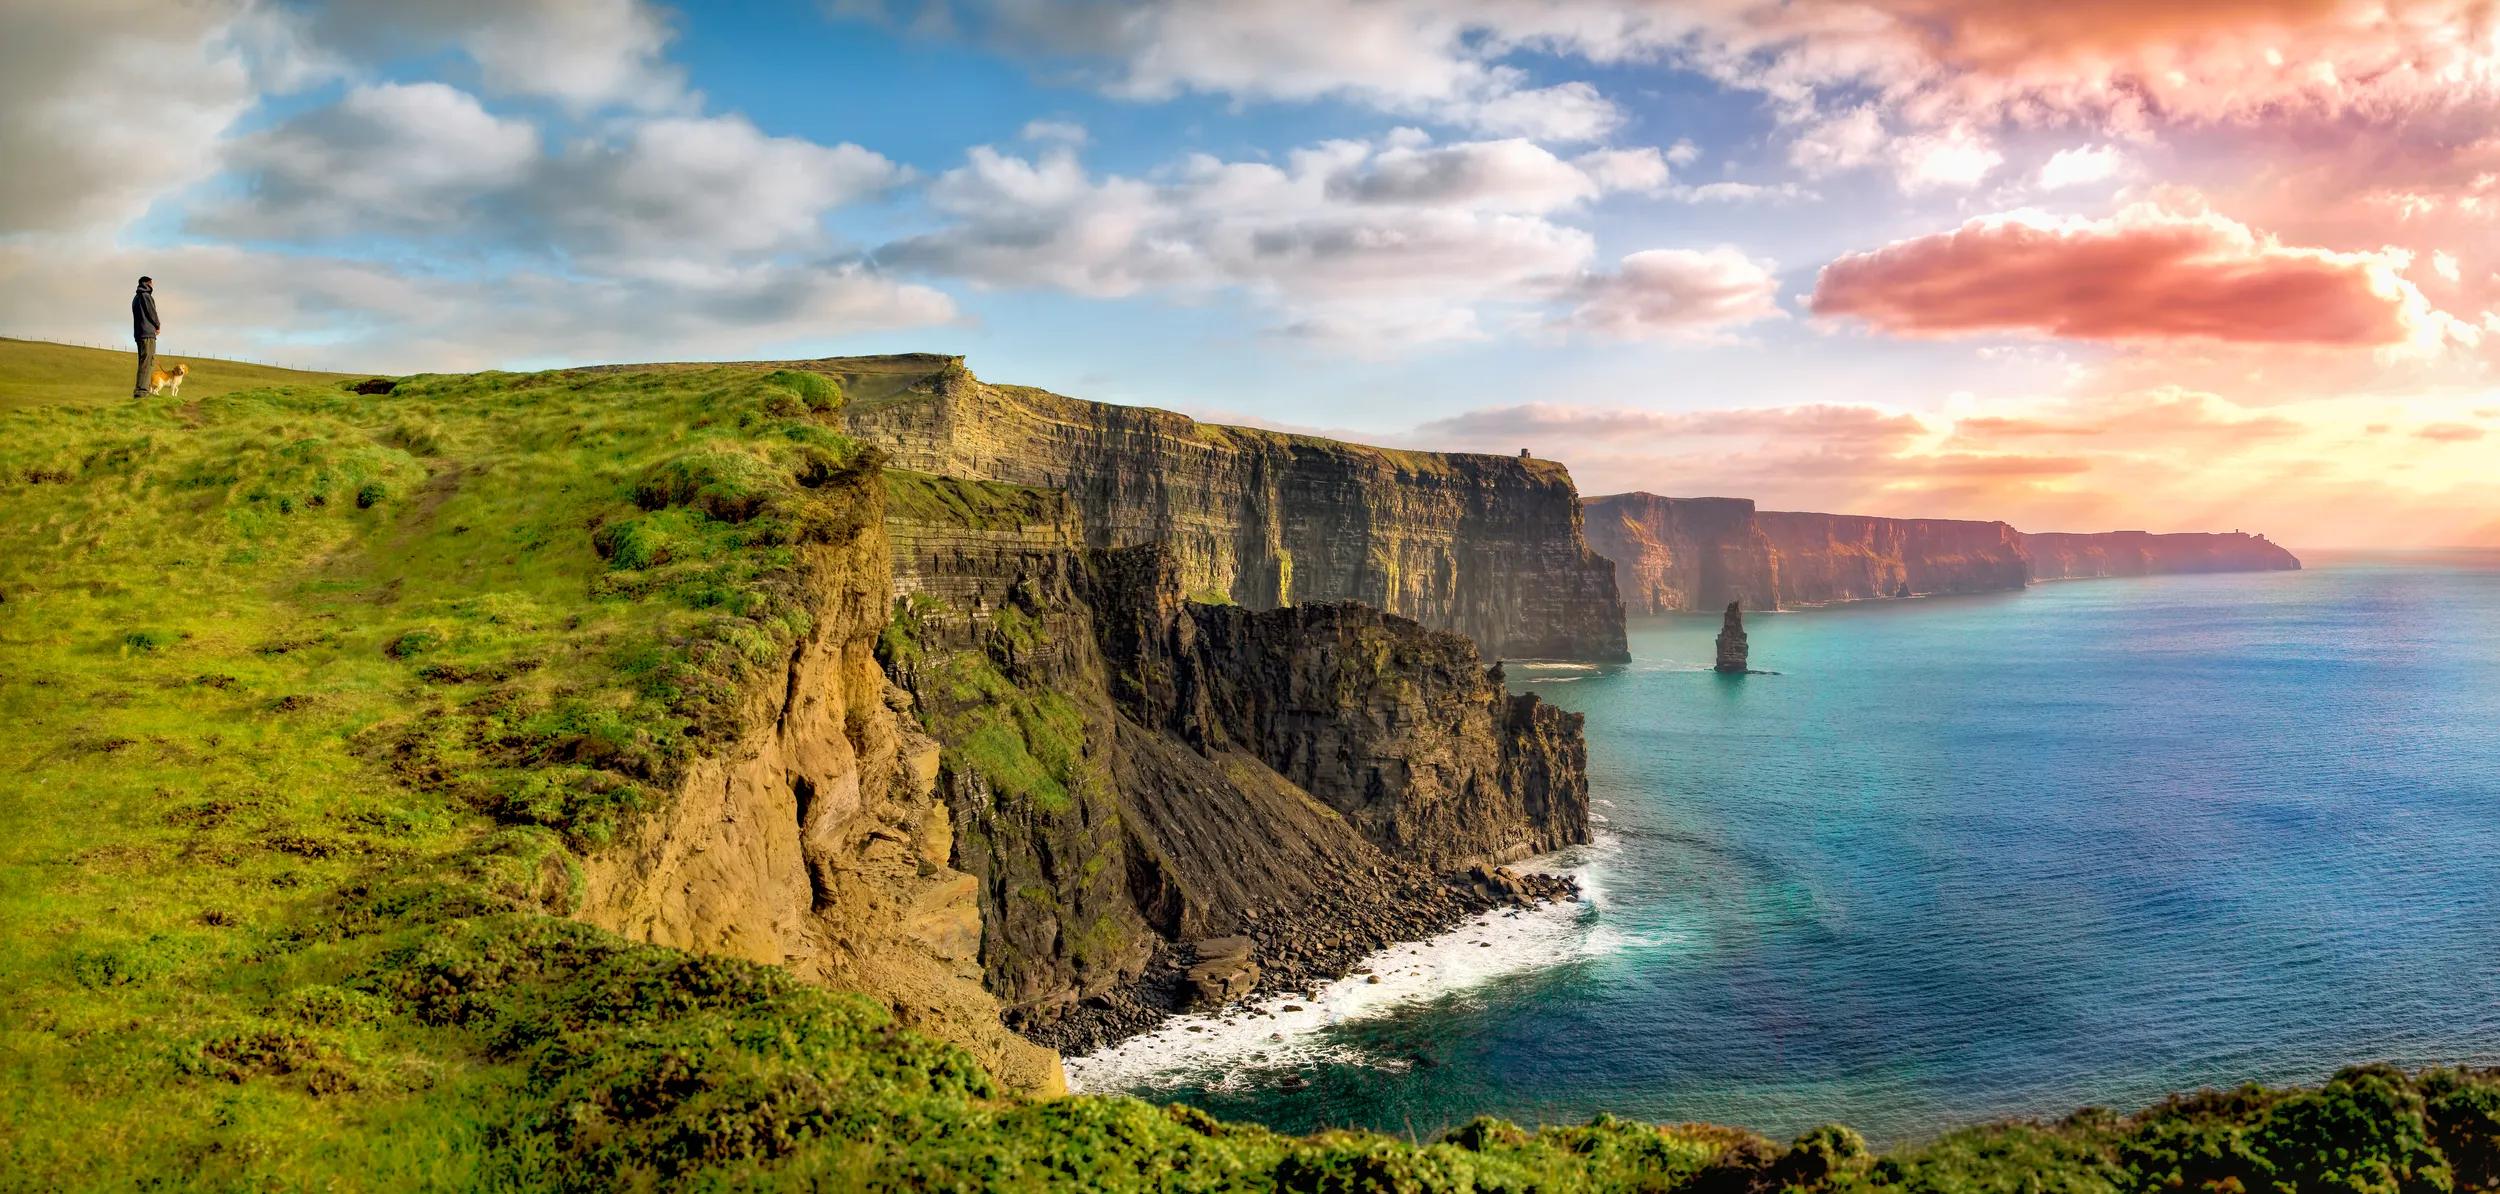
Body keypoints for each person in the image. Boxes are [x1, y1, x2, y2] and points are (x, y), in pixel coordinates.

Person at [131, 276, 161, 399]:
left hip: (139, 334)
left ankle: (139, 389)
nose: (152, 285)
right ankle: (142, 391)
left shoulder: (135, 298)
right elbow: (151, 312)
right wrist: (157, 325)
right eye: (151, 283)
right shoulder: (146, 296)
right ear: (147, 283)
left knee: (142, 362)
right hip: (147, 333)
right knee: (148, 362)